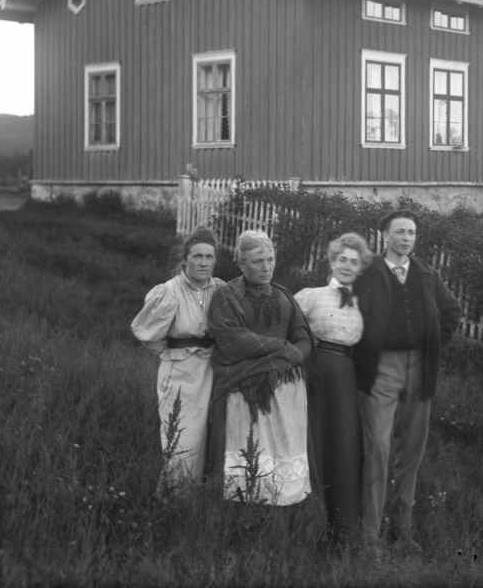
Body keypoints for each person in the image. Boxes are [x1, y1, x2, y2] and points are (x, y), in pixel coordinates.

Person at [353, 209, 461, 554]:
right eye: (400, 232)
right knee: (379, 447)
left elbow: (451, 310)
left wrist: (434, 344)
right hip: (382, 367)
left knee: (412, 449)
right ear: (385, 235)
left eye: (412, 232)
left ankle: (401, 529)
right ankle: (369, 534)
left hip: (420, 366)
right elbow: (347, 311)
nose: (407, 238)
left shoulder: (427, 273)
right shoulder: (368, 273)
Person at [206, 229, 320, 517]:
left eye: (270, 260)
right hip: (244, 392)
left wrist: (293, 354)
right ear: (241, 263)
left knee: (283, 459)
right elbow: (233, 339)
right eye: (258, 261)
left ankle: (279, 526)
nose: (266, 267)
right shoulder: (227, 295)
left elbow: (304, 338)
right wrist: (283, 350)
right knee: (248, 461)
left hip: (285, 395)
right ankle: (240, 522)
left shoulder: (284, 296)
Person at [130, 227, 225, 489]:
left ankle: (196, 503)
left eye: (209, 256)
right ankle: (174, 499)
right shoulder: (169, 291)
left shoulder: (220, 289)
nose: (204, 263)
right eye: (197, 256)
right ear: (185, 259)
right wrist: (169, 354)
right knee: (181, 438)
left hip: (209, 372)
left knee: (205, 435)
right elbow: (146, 332)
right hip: (179, 373)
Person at [294, 232, 371, 546]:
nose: (348, 266)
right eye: (342, 259)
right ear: (332, 260)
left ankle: (342, 529)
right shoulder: (311, 295)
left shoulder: (364, 304)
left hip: (345, 378)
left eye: (354, 262)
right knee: (314, 440)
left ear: (361, 267)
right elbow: (288, 327)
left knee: (342, 444)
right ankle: (308, 524)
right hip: (314, 376)